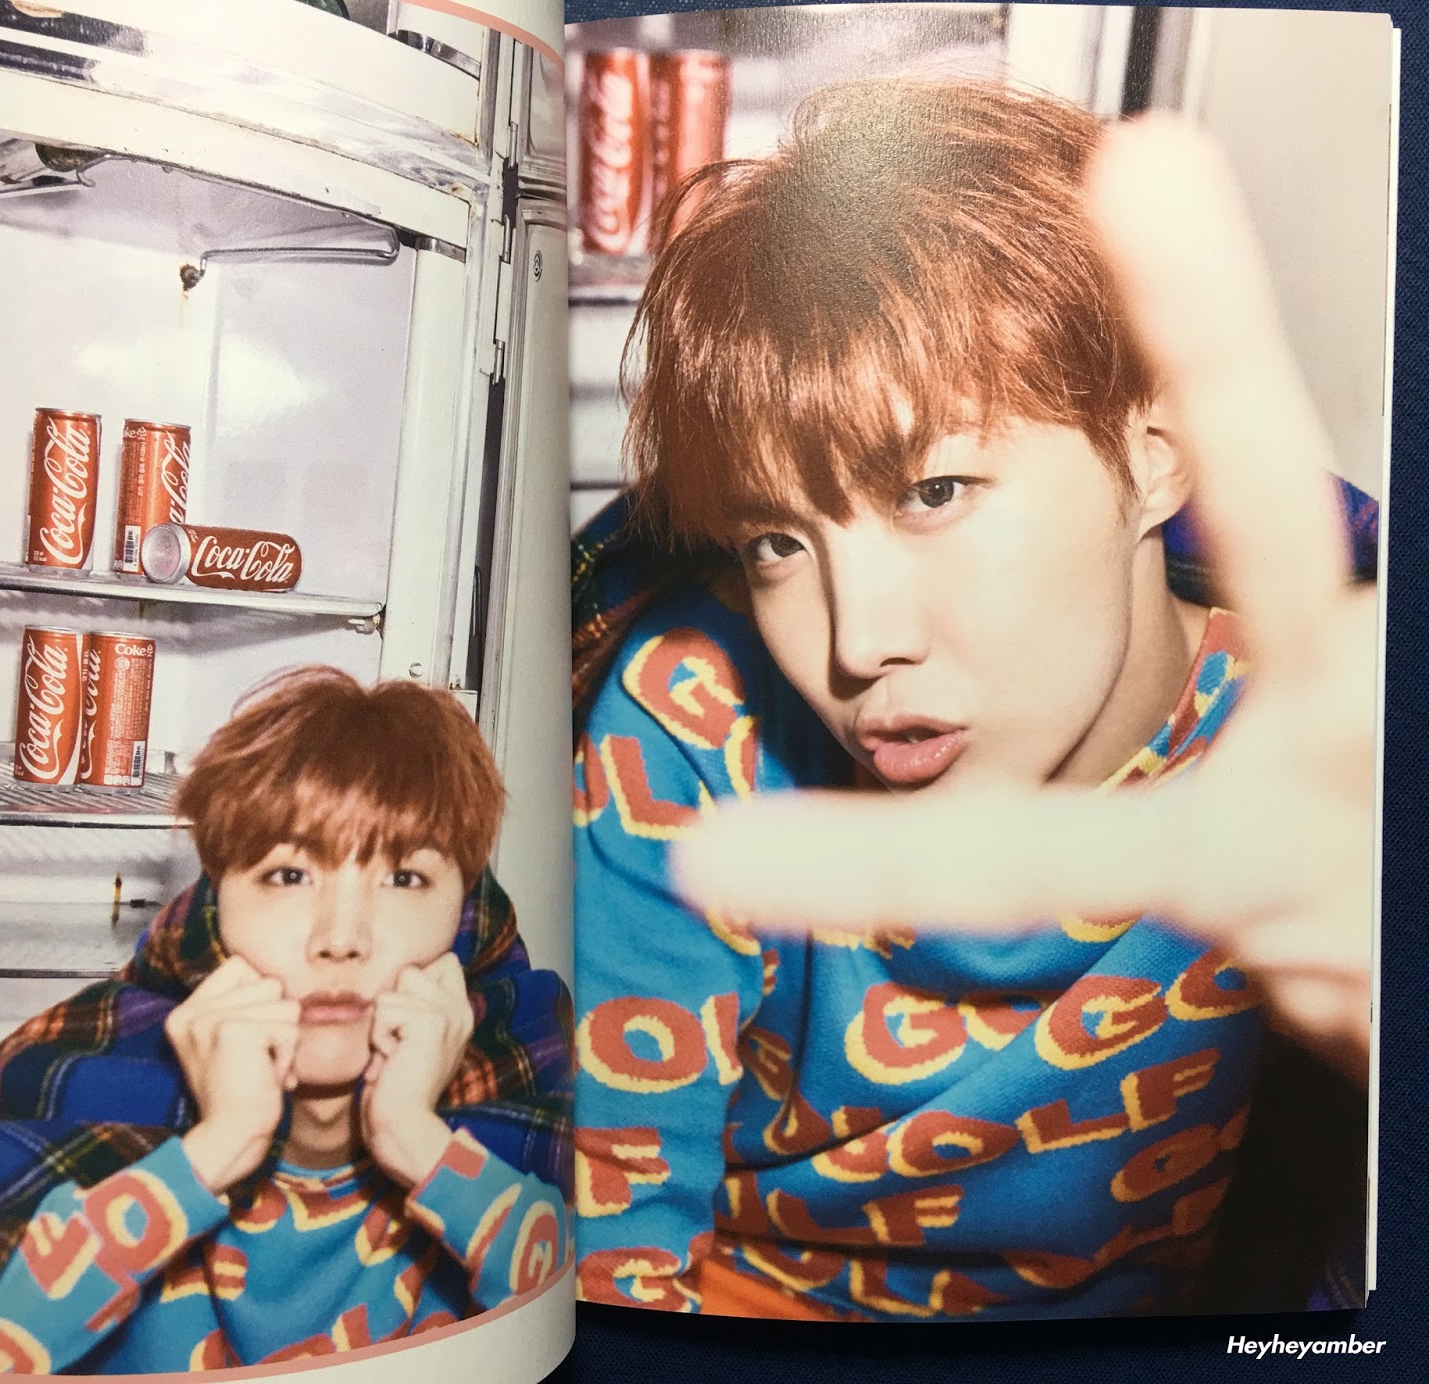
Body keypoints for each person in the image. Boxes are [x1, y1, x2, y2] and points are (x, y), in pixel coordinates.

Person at [571, 77, 1376, 1322]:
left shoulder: (1311, 746)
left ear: (1154, 458)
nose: (860, 643)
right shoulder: (691, 718)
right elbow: (609, 1255)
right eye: (776, 542)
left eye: (934, 492)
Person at [0, 670, 573, 1372]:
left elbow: (568, 1327)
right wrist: (217, 1150)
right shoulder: (89, 1081)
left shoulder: (536, 1103)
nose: (341, 938)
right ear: (218, 911)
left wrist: (418, 1143)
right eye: (289, 876)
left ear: (461, 916)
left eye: (404, 879)